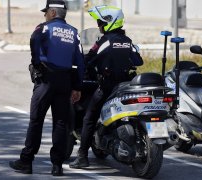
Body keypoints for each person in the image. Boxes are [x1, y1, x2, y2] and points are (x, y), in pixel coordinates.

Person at [9, 0, 84, 176]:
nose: (44, 15)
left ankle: (26, 161)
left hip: (46, 80)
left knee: (36, 121)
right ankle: (57, 166)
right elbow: (80, 61)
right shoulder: (74, 33)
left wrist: (37, 63)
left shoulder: (44, 28)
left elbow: (34, 39)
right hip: (65, 81)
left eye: (46, 12)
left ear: (52, 13)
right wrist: (77, 86)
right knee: (60, 123)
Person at [69, 5, 143, 169]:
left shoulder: (105, 42)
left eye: (100, 21)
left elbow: (88, 59)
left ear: (109, 22)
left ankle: (82, 157)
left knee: (89, 118)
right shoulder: (127, 41)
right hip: (126, 86)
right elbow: (138, 61)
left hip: (108, 86)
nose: (98, 25)